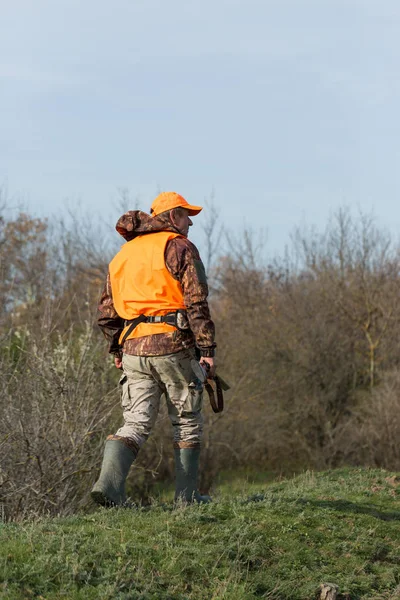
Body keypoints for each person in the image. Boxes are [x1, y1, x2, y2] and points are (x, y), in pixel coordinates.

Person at [91, 191, 216, 507]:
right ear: (173, 216)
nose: (190, 223)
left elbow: (106, 312)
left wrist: (117, 351)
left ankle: (110, 487)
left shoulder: (122, 255)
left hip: (133, 349)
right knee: (186, 420)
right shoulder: (178, 246)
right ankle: (186, 498)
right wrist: (207, 349)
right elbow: (196, 301)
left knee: (135, 422)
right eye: (186, 215)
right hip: (174, 345)